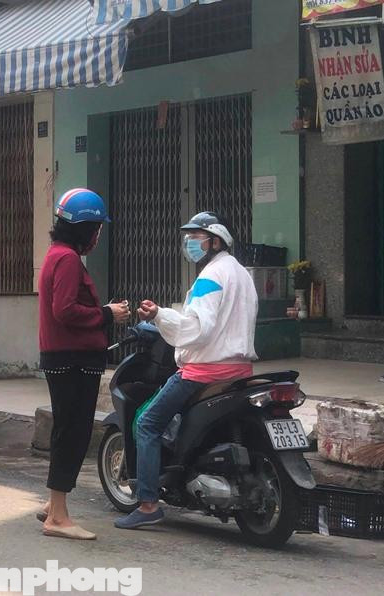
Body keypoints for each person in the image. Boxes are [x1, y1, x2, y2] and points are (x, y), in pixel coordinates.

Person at [114, 212, 258, 530]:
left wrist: (158, 316)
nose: (191, 243)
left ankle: (149, 504)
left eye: (197, 238)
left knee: (148, 424)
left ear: (216, 241)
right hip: (239, 370)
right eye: (189, 238)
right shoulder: (242, 275)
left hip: (203, 371)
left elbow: (196, 329)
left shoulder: (210, 276)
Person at [37, 188, 130, 541]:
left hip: (66, 357)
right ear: (85, 229)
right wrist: (107, 313)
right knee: (72, 433)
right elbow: (64, 310)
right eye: (96, 229)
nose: (97, 236)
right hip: (73, 359)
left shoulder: (57, 255)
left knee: (67, 430)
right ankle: (58, 517)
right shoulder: (67, 260)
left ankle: (52, 504)